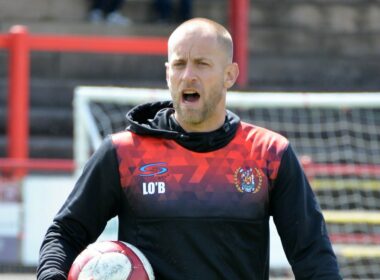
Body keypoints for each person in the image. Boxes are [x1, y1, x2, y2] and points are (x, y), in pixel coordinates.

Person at [37, 18, 342, 279]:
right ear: (168, 73)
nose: (188, 76)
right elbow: (65, 233)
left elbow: (312, 254)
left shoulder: (268, 154)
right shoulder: (124, 153)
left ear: (230, 76)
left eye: (202, 64)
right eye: (180, 64)